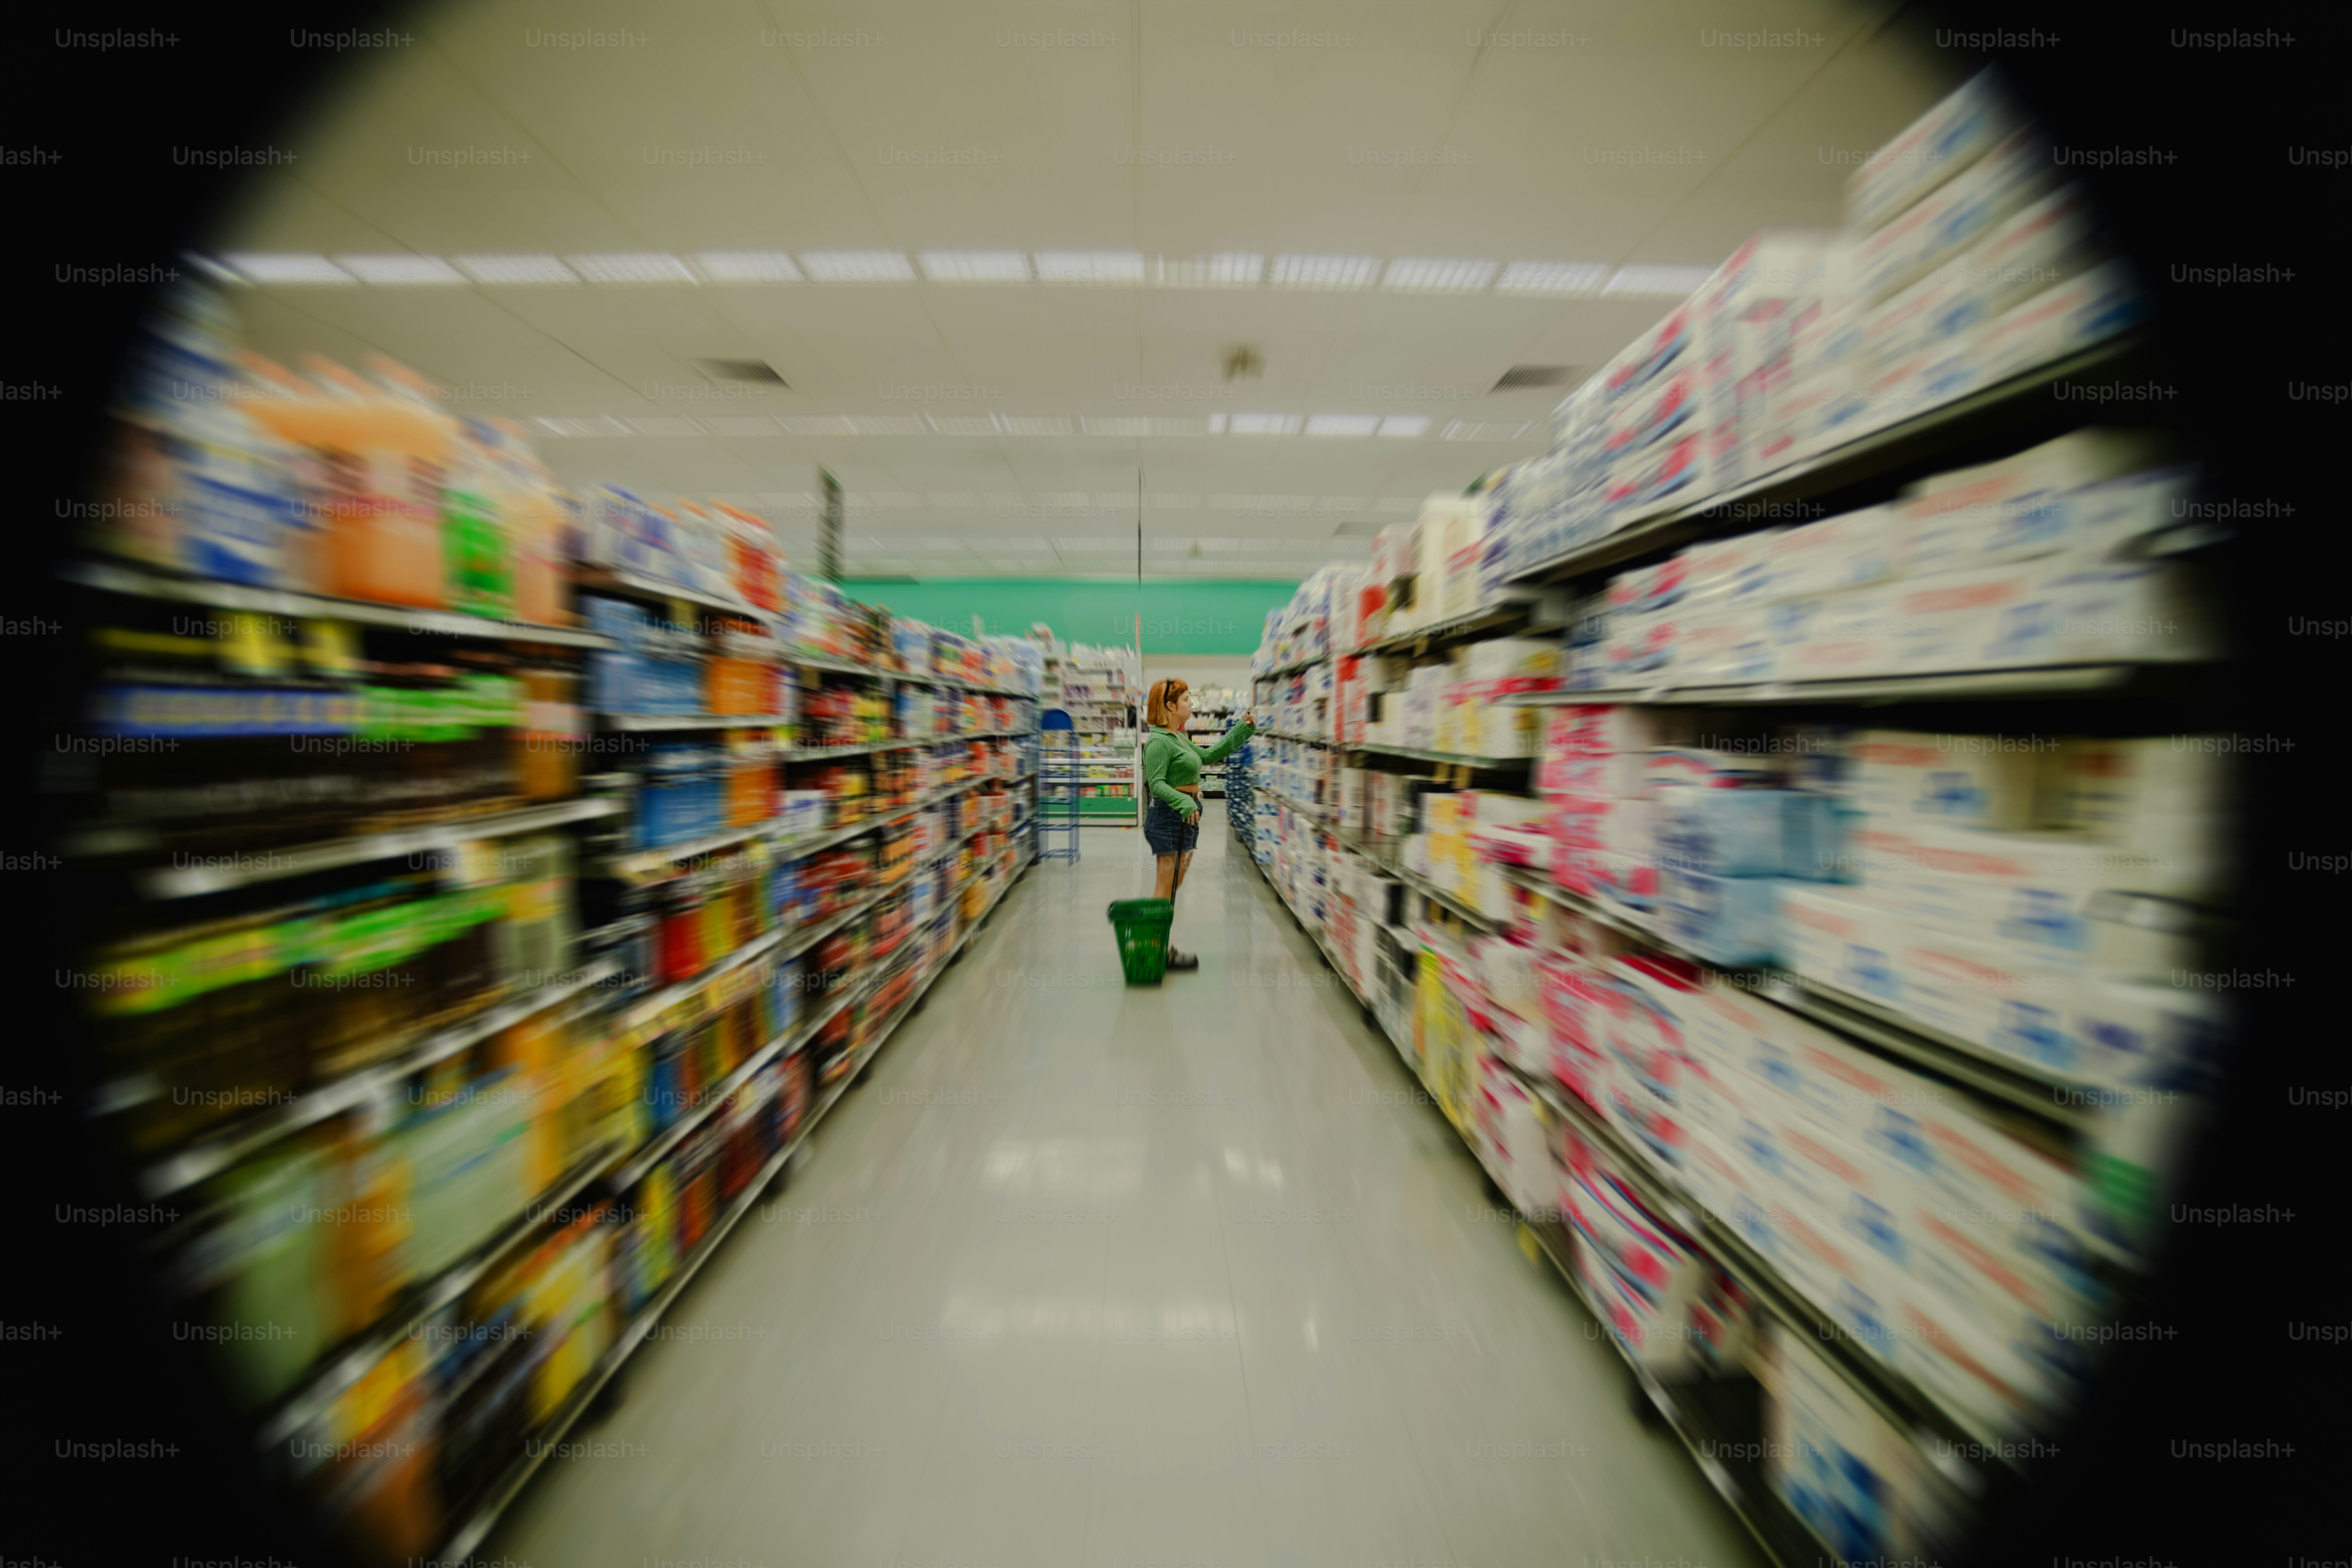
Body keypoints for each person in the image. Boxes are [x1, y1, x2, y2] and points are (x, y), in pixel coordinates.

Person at [1140, 679, 1255, 971]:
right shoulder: (1157, 741)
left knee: (1175, 884)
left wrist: (1244, 728)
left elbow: (1209, 756)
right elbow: (1156, 785)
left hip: (1187, 816)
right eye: (1187, 699)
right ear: (1169, 706)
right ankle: (1156, 950)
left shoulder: (1178, 737)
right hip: (1169, 816)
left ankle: (1158, 944)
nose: (1192, 704)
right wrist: (1184, 802)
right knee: (1166, 886)